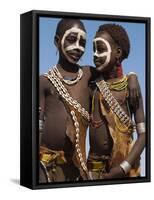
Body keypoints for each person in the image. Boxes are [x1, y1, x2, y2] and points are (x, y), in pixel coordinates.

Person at [39, 19, 139, 183]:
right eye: (72, 40)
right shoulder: (44, 81)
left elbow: (114, 71)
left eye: (83, 43)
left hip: (77, 169)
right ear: (57, 41)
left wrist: (133, 76)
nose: (78, 47)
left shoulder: (89, 75)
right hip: (44, 168)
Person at [88, 24, 145, 179]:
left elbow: (143, 135)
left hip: (124, 169)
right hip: (93, 169)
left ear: (118, 53)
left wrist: (123, 168)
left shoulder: (130, 86)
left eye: (100, 49)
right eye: (93, 49)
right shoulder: (92, 84)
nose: (95, 54)